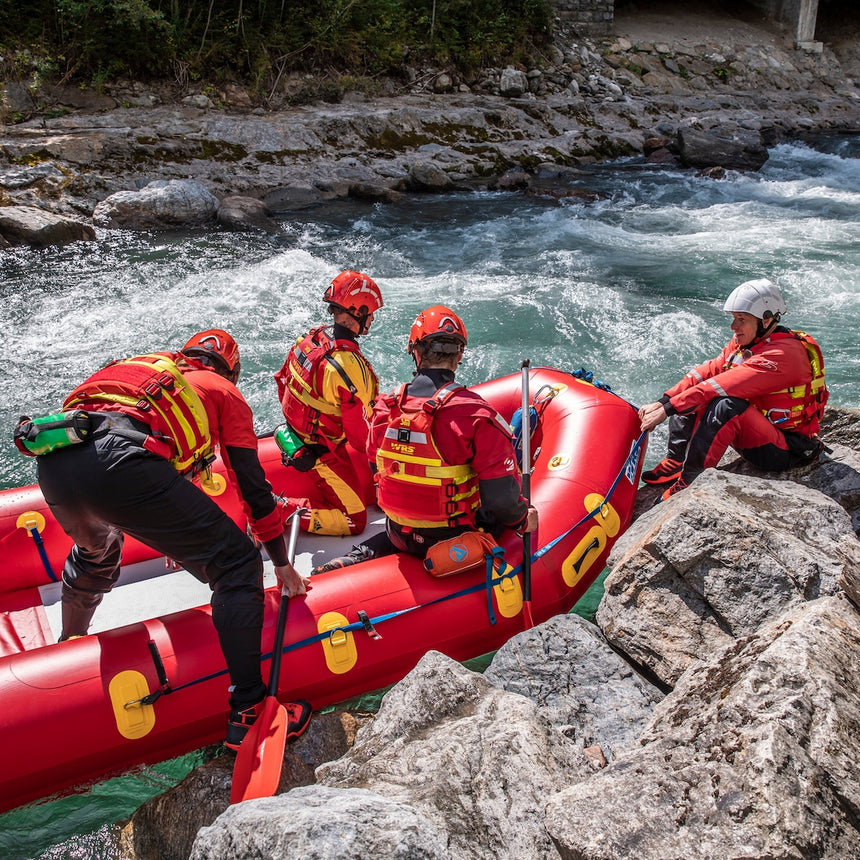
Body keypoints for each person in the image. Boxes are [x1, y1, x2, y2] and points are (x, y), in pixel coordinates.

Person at [26, 330, 312, 750]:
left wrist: (176, 540)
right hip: (121, 465)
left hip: (56, 465)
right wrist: (280, 563)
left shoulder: (154, 376)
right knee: (237, 565)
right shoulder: (223, 393)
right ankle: (249, 709)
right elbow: (251, 487)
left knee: (97, 550)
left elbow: (153, 450)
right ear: (230, 370)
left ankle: (70, 642)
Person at [313, 305, 538, 573]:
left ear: (415, 354)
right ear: (459, 356)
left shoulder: (384, 408)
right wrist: (523, 519)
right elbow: (501, 501)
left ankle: (361, 554)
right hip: (454, 537)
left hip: (398, 531)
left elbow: (379, 469)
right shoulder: (477, 415)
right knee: (500, 511)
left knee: (409, 526)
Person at [638, 278, 828, 501]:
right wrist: (664, 400)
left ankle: (690, 480)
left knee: (724, 405)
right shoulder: (748, 341)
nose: (733, 326)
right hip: (764, 430)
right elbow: (709, 371)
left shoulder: (781, 356)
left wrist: (666, 411)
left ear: (766, 320)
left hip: (785, 449)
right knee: (695, 392)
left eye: (741, 319)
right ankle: (676, 460)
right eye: (734, 319)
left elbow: (719, 387)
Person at [274, 270, 382, 536]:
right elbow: (361, 438)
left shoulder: (312, 338)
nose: (373, 318)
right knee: (356, 521)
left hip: (298, 433)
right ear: (358, 311)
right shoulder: (346, 365)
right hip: (322, 450)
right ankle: (279, 511)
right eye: (371, 313)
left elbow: (281, 380)